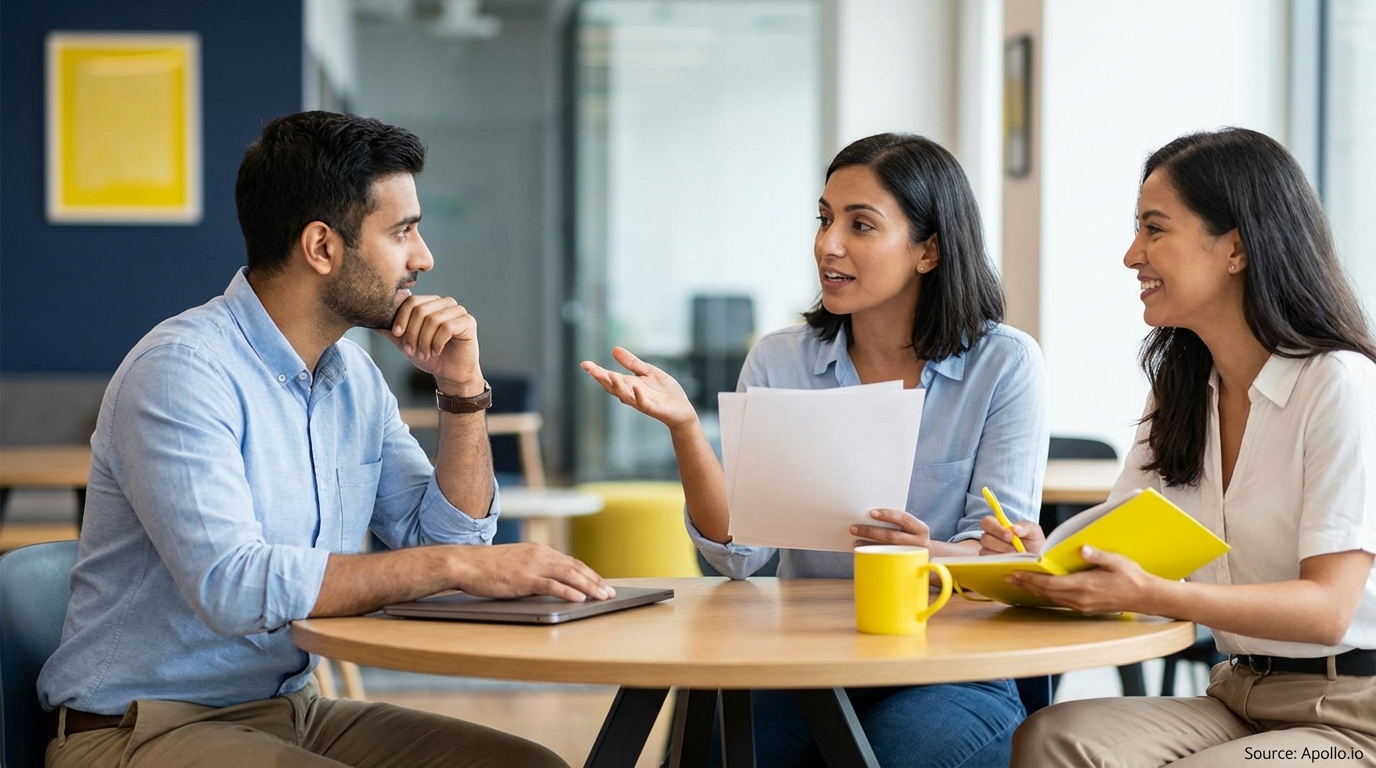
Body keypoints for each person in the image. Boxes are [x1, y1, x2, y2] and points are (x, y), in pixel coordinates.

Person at [37, 111, 614, 768]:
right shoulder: (182, 370)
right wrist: (455, 567)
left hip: (289, 709)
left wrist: (461, 392)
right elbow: (232, 584)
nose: (424, 258)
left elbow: (449, 551)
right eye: (402, 232)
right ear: (322, 247)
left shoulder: (354, 377)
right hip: (136, 730)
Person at [582, 133, 1049, 767]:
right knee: (715, 754)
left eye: (861, 225)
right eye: (826, 219)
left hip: (952, 661)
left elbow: (997, 555)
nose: (828, 244)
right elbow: (740, 553)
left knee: (901, 755)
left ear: (929, 250)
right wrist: (687, 430)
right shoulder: (781, 358)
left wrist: (924, 554)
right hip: (804, 657)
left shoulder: (1004, 364)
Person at [979, 128, 1376, 767]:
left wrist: (1153, 594)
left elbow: (1328, 610)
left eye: (1154, 229)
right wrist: (1043, 559)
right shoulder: (1182, 388)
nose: (1132, 255)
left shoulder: (1341, 384)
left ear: (1237, 249)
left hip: (1352, 716)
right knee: (1052, 738)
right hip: (1238, 694)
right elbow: (1120, 544)